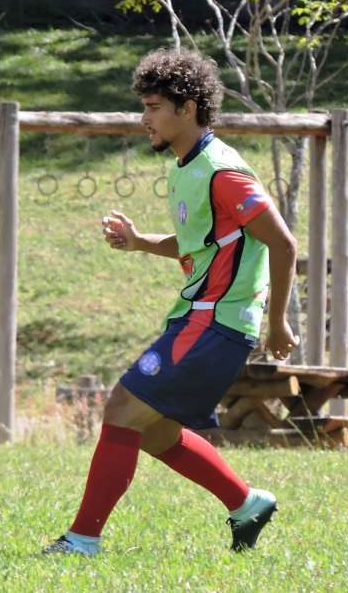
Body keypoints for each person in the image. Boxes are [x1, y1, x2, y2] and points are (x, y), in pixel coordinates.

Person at [44, 48, 298, 556]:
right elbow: (199, 244)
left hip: (218, 322)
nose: (145, 119)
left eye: (154, 107)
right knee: (156, 433)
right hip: (197, 317)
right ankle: (247, 503)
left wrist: (278, 323)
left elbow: (283, 243)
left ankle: (82, 540)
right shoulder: (188, 167)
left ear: (188, 108)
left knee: (121, 409)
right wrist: (141, 242)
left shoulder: (223, 171)